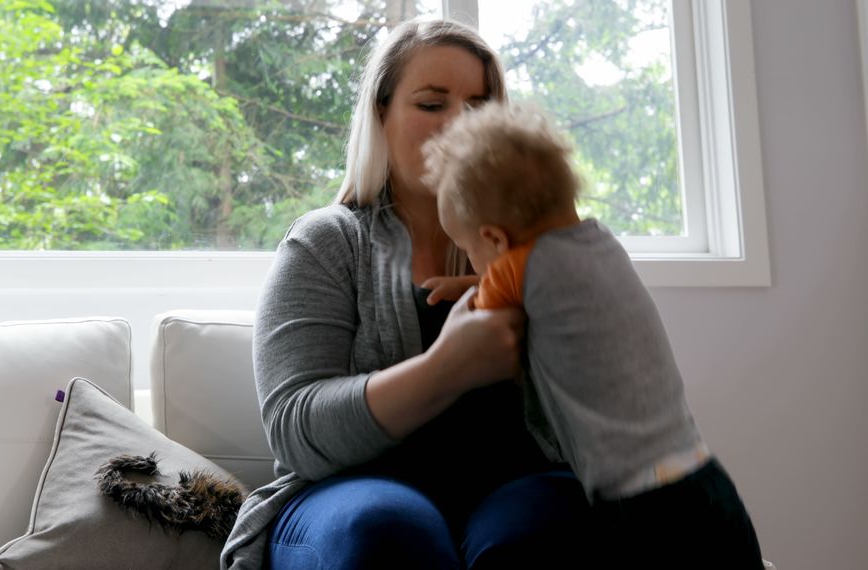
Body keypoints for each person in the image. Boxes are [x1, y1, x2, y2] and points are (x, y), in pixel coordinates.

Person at [221, 18, 593, 570]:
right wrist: (449, 366)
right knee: (389, 530)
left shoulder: (545, 253)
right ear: (381, 114)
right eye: (431, 104)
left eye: (479, 104)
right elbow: (295, 429)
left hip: (519, 486)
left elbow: (608, 403)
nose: (460, 125)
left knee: (543, 531)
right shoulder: (326, 242)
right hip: (351, 496)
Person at [423, 99, 764, 568]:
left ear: (496, 241)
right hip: (702, 476)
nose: (474, 263)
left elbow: (484, 311)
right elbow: (528, 281)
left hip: (642, 504)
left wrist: (462, 294)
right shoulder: (601, 243)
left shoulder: (519, 270)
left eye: (468, 249)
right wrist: (481, 277)